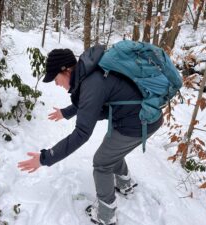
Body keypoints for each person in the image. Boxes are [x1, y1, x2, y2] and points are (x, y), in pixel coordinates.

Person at [18, 46, 163, 225]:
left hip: (138, 122)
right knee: (110, 151)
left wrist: (45, 158)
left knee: (102, 162)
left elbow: (82, 133)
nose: (57, 84)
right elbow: (89, 103)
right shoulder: (91, 73)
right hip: (137, 118)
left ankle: (106, 215)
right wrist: (67, 112)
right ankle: (125, 184)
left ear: (66, 70)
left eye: (56, 78)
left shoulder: (92, 82)